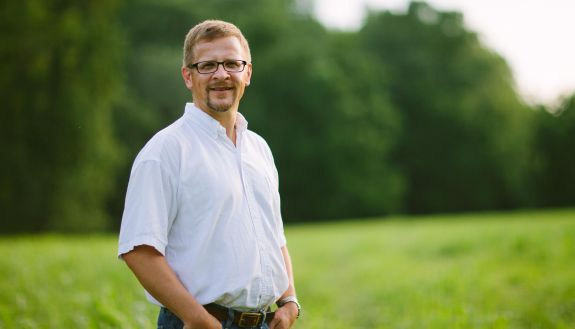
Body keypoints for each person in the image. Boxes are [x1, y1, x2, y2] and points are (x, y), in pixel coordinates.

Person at [118, 20, 300, 329]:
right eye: (207, 65)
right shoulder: (165, 151)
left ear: (248, 73)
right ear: (188, 76)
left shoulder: (259, 148)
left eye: (232, 63)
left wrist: (289, 300)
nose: (221, 74)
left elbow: (273, 236)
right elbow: (139, 250)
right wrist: (197, 318)